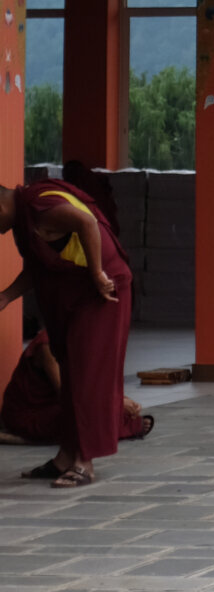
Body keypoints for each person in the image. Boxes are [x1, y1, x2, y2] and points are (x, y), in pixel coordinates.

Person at [0, 179, 134, 489]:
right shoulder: (27, 215)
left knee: (89, 375)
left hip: (102, 291)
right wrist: (7, 295)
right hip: (77, 294)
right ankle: (65, 456)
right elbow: (40, 264)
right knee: (72, 373)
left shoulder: (40, 207)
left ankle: (83, 462)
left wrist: (98, 273)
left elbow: (86, 222)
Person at [2, 330, 151, 444]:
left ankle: (117, 423)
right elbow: (66, 394)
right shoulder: (47, 345)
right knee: (84, 420)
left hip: (58, 405)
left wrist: (121, 399)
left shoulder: (82, 341)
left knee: (98, 415)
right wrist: (114, 404)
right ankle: (122, 427)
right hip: (31, 413)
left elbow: (92, 382)